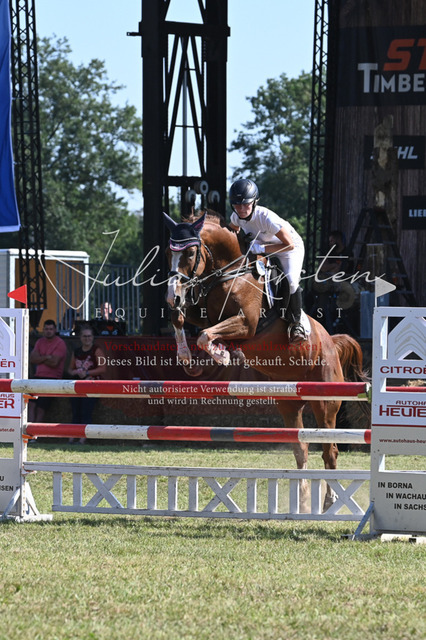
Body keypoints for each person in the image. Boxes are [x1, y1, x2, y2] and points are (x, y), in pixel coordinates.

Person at [229, 178, 306, 343]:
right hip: (263, 247)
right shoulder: (236, 217)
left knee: (291, 282)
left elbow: (289, 245)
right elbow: (233, 232)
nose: (241, 209)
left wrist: (261, 248)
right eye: (237, 205)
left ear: (254, 202)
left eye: (246, 204)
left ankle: (296, 323)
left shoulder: (266, 218)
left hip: (288, 248)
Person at [67, 324, 107, 444]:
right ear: (80, 337)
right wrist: (75, 372)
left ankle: (82, 439)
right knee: (75, 411)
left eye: (89, 336)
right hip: (78, 385)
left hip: (92, 385)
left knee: (86, 411)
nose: (87, 338)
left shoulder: (97, 350)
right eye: (84, 336)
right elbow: (70, 369)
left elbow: (103, 368)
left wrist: (87, 372)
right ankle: (72, 437)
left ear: (93, 337)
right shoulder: (76, 351)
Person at [28, 319, 68, 422]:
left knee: (41, 408)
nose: (48, 331)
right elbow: (32, 359)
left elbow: (54, 363)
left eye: (51, 329)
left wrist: (40, 358)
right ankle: (29, 428)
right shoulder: (39, 342)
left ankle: (36, 430)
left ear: (55, 330)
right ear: (43, 330)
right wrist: (47, 357)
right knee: (31, 404)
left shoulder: (60, 343)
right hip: (37, 377)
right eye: (46, 329)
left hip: (52, 379)